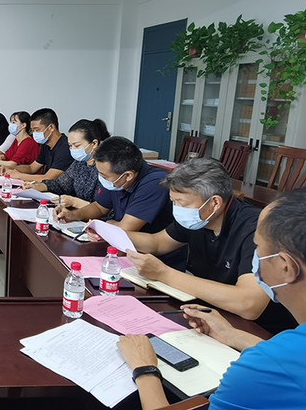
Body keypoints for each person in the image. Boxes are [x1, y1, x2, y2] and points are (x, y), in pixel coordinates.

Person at [117, 187, 306, 410]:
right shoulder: (285, 353)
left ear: (286, 267)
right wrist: (234, 336)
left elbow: (281, 364)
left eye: (257, 249)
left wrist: (145, 370)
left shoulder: (260, 370)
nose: (254, 258)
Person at [124, 158, 296, 333]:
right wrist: (110, 231)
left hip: (261, 330)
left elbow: (249, 303)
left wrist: (164, 273)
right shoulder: (198, 219)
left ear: (214, 203)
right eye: (173, 202)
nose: (176, 209)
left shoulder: (255, 229)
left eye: (181, 203)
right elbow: (158, 243)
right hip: (211, 315)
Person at [55, 136, 185, 270]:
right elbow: (99, 207)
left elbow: (124, 229)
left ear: (128, 175)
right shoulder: (117, 180)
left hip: (155, 261)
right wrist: (73, 214)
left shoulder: (154, 183)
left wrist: (109, 225)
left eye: (104, 176)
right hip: (122, 252)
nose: (101, 179)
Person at [21, 118, 110, 207]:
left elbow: (104, 208)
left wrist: (74, 202)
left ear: (94, 144)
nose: (73, 150)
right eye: (70, 146)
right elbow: (60, 184)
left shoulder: (106, 167)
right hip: (78, 214)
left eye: (76, 145)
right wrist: (38, 187)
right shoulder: (79, 163)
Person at [4, 108, 73, 183]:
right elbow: (31, 168)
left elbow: (48, 177)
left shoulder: (65, 147)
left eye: (37, 130)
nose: (35, 134)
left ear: (51, 128)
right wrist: (10, 168)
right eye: (33, 130)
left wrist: (19, 175)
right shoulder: (46, 145)